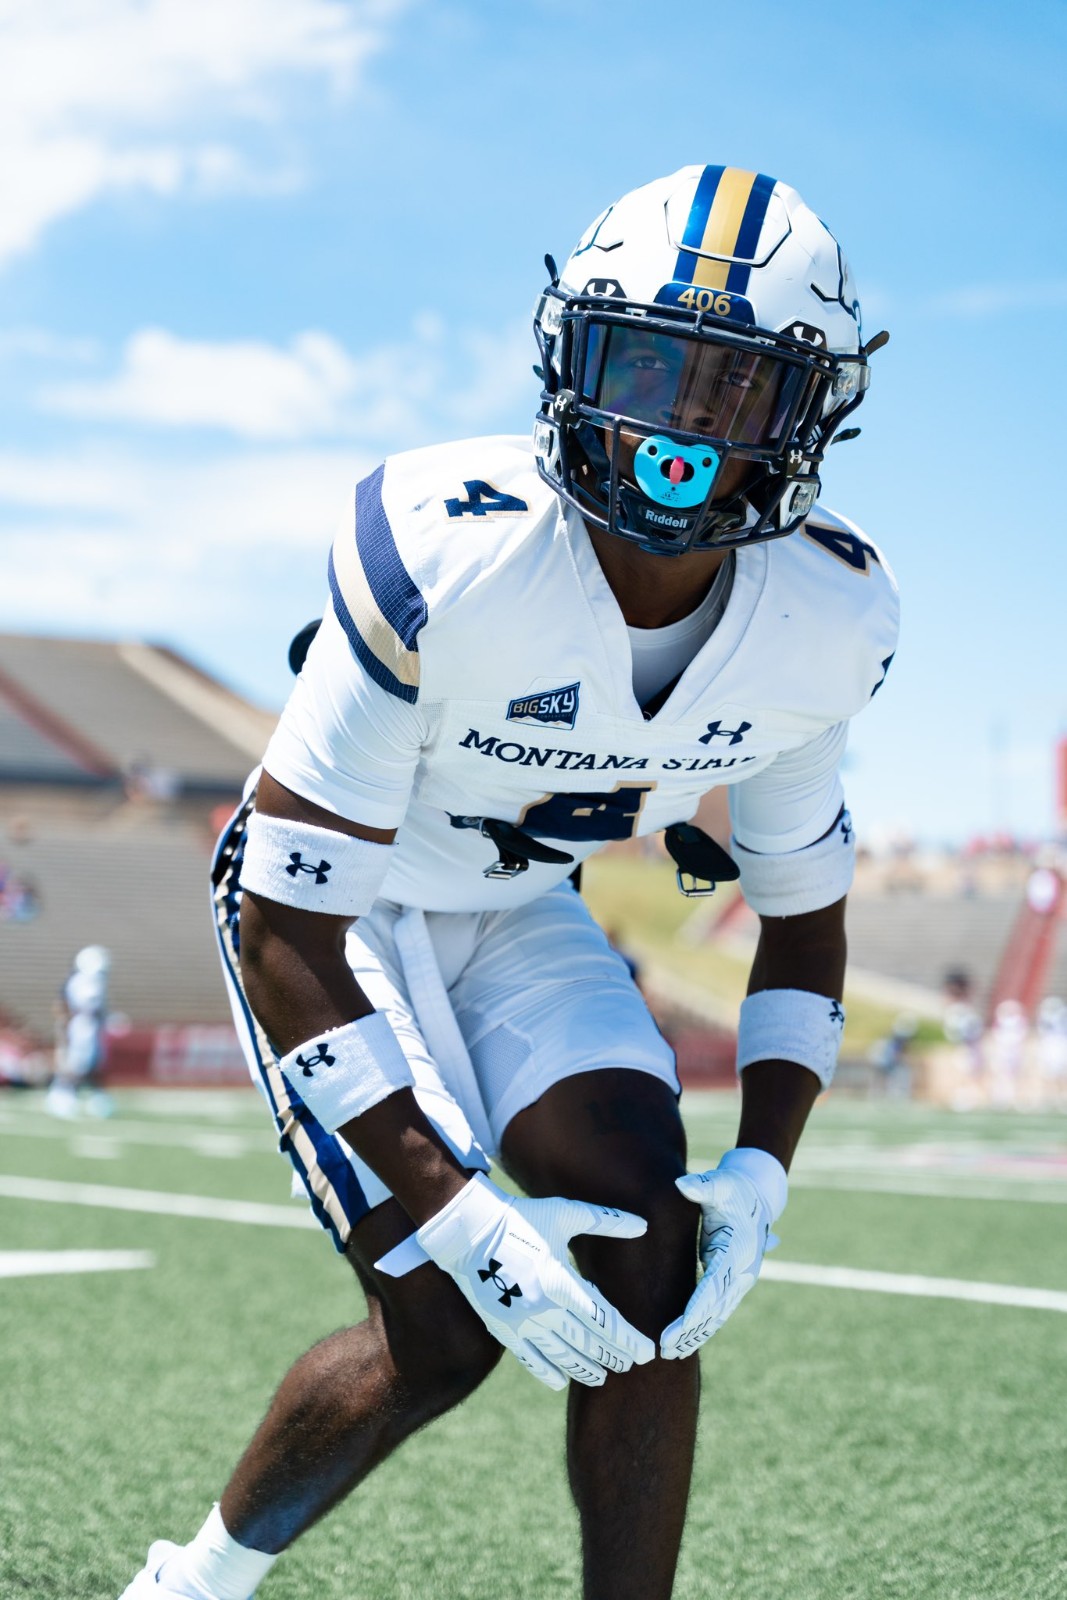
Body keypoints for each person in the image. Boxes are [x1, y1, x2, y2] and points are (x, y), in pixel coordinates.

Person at [121, 164, 899, 1600]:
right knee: (439, 1320)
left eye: (732, 387)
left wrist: (762, 1168)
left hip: (516, 905)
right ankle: (193, 1585)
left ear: (806, 413)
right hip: (335, 915)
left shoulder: (825, 615)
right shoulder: (448, 546)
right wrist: (455, 1206)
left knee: (652, 1259)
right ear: (572, 354)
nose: (675, 427)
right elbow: (287, 910)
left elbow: (802, 917)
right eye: (645, 365)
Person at [47, 944, 113, 1118]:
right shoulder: (86, 981)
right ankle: (64, 1096)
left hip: (85, 1026)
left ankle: (91, 1098)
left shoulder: (78, 980)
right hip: (84, 1027)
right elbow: (89, 1007)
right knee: (76, 1065)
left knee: (90, 1065)